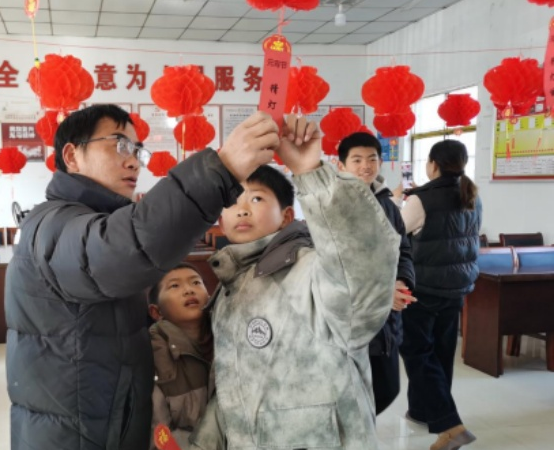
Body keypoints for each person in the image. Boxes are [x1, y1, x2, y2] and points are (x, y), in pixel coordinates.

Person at [4, 104, 280, 450]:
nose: (134, 162)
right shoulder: (56, 225)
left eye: (138, 151)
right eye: (120, 145)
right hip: (75, 435)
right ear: (72, 156)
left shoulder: (88, 220)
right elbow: (128, 246)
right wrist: (220, 169)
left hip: (101, 420)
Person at [189, 116, 400, 450]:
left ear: (286, 216)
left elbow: (357, 278)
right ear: (220, 218)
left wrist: (309, 171)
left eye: (256, 199)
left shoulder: (305, 269)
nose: (241, 210)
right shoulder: (230, 284)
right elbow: (232, 385)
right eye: (232, 202)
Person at [396, 140, 480, 450]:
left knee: (417, 351)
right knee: (442, 352)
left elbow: (394, 232)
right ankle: (422, 411)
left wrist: (396, 201)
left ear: (433, 164)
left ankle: (449, 424)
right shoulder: (472, 195)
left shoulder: (420, 200)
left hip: (424, 287)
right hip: (457, 286)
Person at [336, 131, 416, 415]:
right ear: (341, 165)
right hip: (349, 317)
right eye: (356, 160)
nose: (365, 166)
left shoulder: (387, 205)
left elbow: (403, 250)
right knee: (349, 396)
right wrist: (384, 293)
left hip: (386, 320)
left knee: (386, 388)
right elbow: (338, 264)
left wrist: (402, 281)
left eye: (371, 159)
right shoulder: (333, 206)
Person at [148, 263, 213, 450]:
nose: (189, 290)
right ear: (156, 312)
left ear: (210, 298)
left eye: (196, 283)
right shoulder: (152, 354)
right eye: (175, 286)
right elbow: (160, 436)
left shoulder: (231, 334)